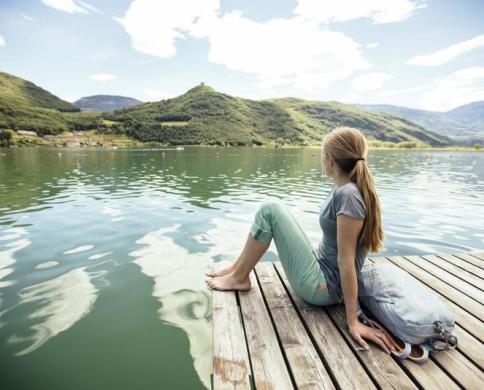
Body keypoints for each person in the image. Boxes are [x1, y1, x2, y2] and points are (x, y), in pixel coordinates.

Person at [205, 127, 393, 354]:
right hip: (322, 269)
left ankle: (239, 277)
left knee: (269, 210)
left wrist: (352, 320)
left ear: (329, 159)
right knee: (275, 209)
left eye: (323, 156)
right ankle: (237, 270)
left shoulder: (348, 195)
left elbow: (347, 260)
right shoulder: (344, 188)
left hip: (323, 287)